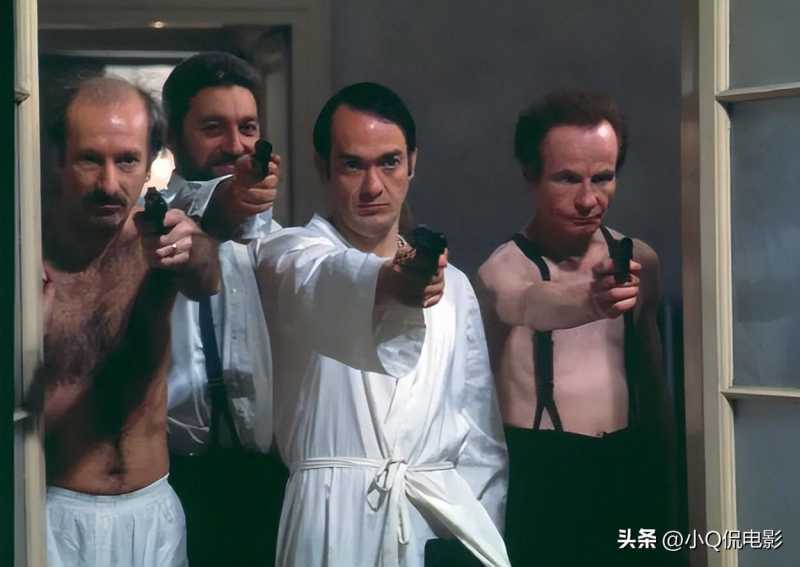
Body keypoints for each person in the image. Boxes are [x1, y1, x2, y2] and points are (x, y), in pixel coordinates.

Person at [255, 82, 510, 567]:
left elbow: (478, 432)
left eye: (389, 162)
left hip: (437, 519)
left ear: (412, 161)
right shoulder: (287, 256)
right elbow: (324, 280)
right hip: (330, 521)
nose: (373, 186)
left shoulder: (455, 286)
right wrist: (391, 282)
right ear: (323, 168)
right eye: (353, 165)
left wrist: (478, 530)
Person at [476, 90, 676, 566]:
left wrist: (672, 484)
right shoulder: (502, 269)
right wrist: (592, 298)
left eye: (603, 178)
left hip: (629, 467)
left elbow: (652, 382)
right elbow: (526, 303)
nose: (588, 200)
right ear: (531, 175)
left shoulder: (640, 260)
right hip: (542, 478)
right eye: (567, 179)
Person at [40, 76, 221, 567]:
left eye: (126, 161)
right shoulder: (27, 249)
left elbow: (205, 277)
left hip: (151, 509)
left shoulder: (158, 238)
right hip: (53, 508)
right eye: (89, 159)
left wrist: (194, 249)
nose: (108, 183)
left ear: (151, 162)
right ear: (58, 158)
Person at [159, 52, 287, 567]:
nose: (235, 145)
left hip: (267, 484)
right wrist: (223, 206)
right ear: (172, 136)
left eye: (248, 128)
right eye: (213, 128)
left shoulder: (280, 247)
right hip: (172, 481)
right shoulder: (144, 234)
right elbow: (193, 212)